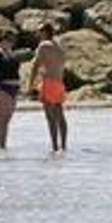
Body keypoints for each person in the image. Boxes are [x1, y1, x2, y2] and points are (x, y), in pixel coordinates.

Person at [26, 24, 69, 153]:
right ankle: (64, 146)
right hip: (59, 84)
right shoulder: (59, 46)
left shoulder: (43, 45)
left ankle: (54, 147)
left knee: (50, 118)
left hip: (49, 83)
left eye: (39, 31)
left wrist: (30, 85)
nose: (37, 34)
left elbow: (35, 66)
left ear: (45, 32)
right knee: (60, 116)